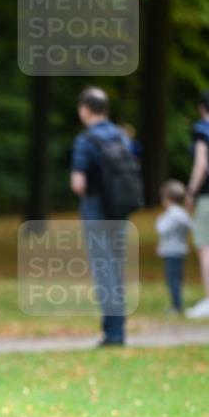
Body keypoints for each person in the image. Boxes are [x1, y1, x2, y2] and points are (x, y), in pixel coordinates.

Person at [70, 87, 131, 346]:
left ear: (85, 109)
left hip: (95, 208)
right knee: (116, 268)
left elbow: (78, 183)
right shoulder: (122, 137)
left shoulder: (85, 140)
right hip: (120, 208)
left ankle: (113, 333)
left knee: (103, 269)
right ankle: (118, 329)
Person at [184, 90, 209, 319]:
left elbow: (201, 163)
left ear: (202, 108)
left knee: (206, 248)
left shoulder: (202, 130)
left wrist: (191, 191)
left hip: (208, 197)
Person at [156, 180, 192, 314]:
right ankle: (177, 303)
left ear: (167, 199)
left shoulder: (170, 214)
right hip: (181, 250)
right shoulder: (183, 214)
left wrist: (159, 219)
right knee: (178, 278)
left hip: (171, 251)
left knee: (172, 280)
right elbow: (190, 227)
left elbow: (162, 229)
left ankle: (176, 306)